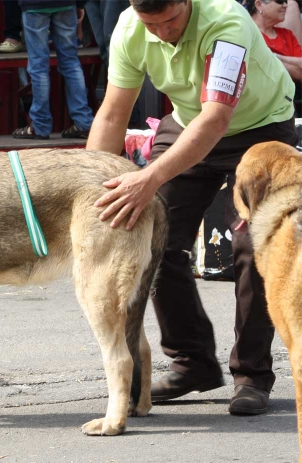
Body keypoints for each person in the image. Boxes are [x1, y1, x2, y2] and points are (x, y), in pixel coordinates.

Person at [86, 0, 299, 415]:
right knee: (150, 238)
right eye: (153, 25)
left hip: (258, 127)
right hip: (187, 124)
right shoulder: (130, 27)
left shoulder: (225, 21)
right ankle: (192, 361)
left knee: (254, 249)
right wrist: (88, 189)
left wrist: (148, 178)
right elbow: (113, 114)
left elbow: (217, 118)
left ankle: (252, 374)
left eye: (171, 21)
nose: (163, 33)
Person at [13, 0, 94, 140]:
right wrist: (80, 4)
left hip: (34, 6)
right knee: (71, 63)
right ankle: (84, 122)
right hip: (65, 3)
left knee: (39, 66)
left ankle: (40, 125)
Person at [246, 0, 302, 83]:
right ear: (259, 4)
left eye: (285, 1)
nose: (285, 5)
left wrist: (272, 58)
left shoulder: (287, 34)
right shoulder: (248, 32)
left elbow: (300, 73)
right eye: (280, 1)